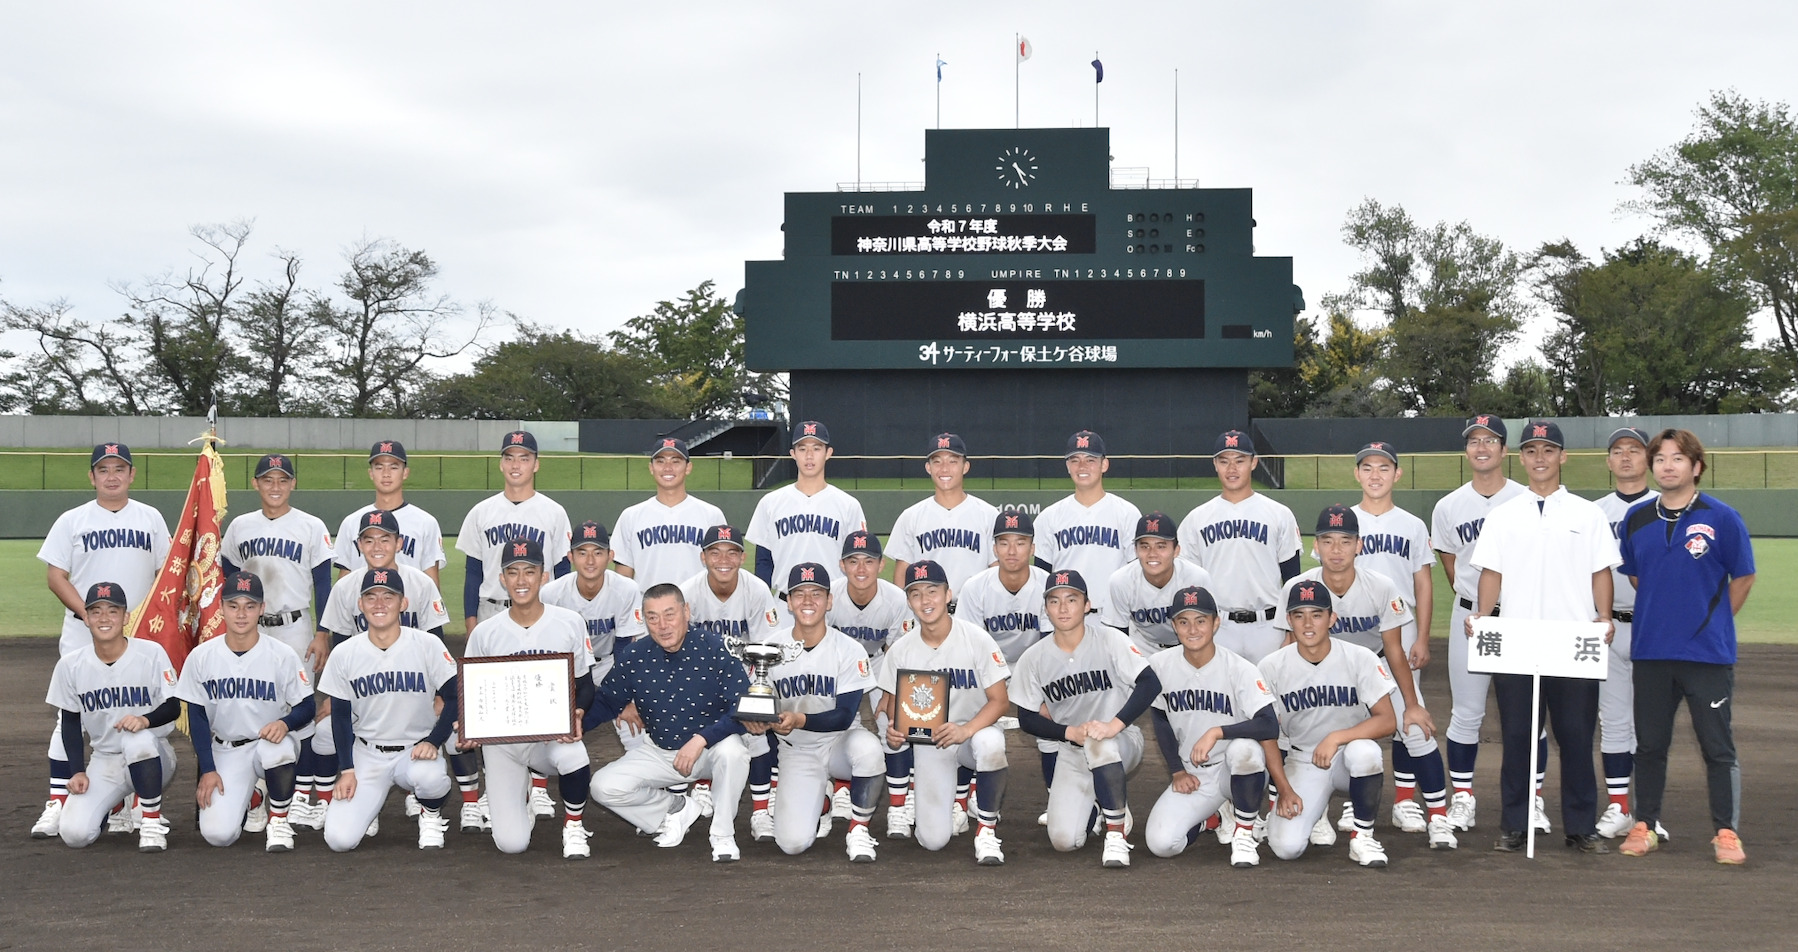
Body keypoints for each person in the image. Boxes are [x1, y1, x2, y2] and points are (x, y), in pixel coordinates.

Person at [1467, 419, 1619, 854]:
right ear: (1521, 458)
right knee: (1517, 737)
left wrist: (1604, 616)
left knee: (1576, 738)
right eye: (1532, 451)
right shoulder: (1503, 515)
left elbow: (1600, 571)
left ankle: (1581, 826)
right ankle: (1515, 824)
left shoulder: (1587, 514)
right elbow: (1491, 572)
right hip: (1518, 642)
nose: (1540, 458)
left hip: (1572, 642)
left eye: (1548, 450)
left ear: (1562, 456)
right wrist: (1483, 617)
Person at [1616, 429, 1756, 864]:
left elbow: (1744, 576)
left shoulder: (1723, 517)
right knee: (1650, 745)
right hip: (1652, 652)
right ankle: (1645, 824)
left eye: (1678, 458)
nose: (1668, 466)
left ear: (1696, 466)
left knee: (1717, 747)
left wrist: (1712, 623)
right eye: (1660, 459)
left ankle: (1726, 832)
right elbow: (1637, 575)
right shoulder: (1636, 518)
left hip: (1706, 655)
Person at [1277, 505, 1454, 850]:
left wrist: (1412, 704)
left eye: (1345, 541)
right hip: (1322, 674)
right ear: (1316, 546)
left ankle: (1438, 817)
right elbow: (1288, 647)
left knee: (1416, 731)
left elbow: (1394, 650)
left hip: (1375, 667)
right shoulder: (1299, 587)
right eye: (1328, 541)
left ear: (1359, 545)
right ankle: (1312, 812)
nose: (1336, 549)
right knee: (1293, 734)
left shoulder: (1380, 586)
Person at [33, 442, 170, 839]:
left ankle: (136, 801)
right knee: (71, 715)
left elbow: (166, 574)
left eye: (119, 469)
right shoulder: (72, 520)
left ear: (132, 475)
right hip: (83, 632)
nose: (112, 476)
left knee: (138, 712)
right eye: (104, 469)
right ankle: (59, 801)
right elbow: (55, 576)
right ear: (91, 476)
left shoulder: (150, 517)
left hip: (139, 635)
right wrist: (91, 617)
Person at [313, 509, 461, 832]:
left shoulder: (420, 584)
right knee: (339, 837)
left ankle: (437, 805)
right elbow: (341, 641)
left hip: (415, 688)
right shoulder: (346, 588)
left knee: (448, 734)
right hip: (366, 690)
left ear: (399, 543)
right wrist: (337, 696)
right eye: (369, 540)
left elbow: (436, 639)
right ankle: (361, 799)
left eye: (385, 539)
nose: (377, 546)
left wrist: (440, 694)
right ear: (359, 545)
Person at [585, 584, 754, 863]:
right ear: (644, 619)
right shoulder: (635, 655)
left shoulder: (716, 649)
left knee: (734, 752)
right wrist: (575, 725)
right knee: (603, 786)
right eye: (652, 618)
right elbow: (607, 701)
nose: (662, 626)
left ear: (686, 611)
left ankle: (723, 834)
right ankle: (676, 807)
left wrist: (701, 739)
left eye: (669, 614)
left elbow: (743, 707)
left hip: (709, 749)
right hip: (660, 751)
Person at [219, 453, 336, 833]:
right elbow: (227, 578)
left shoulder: (310, 525)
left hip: (294, 627)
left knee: (299, 707)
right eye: (267, 479)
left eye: (282, 479)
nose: (275, 486)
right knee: (252, 704)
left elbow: (323, 583)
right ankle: (257, 793)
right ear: (255, 483)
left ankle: (299, 795)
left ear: (292, 484)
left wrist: (323, 632)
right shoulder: (240, 526)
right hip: (249, 627)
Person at [1011, 569, 1155, 868]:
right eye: (1054, 601)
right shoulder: (1033, 658)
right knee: (1064, 841)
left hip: (1120, 742)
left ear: (1087, 605)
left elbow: (1150, 683)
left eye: (1072, 599)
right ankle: (1103, 799)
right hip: (1073, 751)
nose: (1063, 608)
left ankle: (1115, 834)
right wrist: (1069, 733)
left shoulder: (1110, 640)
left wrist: (1114, 725)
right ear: (1045, 608)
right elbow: (1026, 718)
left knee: (1100, 745)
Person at [463, 538, 597, 860]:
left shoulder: (569, 623)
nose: (521, 580)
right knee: (512, 844)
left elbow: (586, 685)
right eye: (513, 572)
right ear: (502, 579)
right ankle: (520, 798)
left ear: (543, 576)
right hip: (502, 744)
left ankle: (574, 825)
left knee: (574, 754)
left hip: (548, 738)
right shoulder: (485, 632)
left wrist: (577, 712)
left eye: (529, 571)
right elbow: (471, 691)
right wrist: (469, 725)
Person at [1430, 414, 1528, 832]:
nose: (1482, 447)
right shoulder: (1449, 506)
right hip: (1471, 616)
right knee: (1467, 713)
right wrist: (1474, 601)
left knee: (1528, 714)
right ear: (1467, 450)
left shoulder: (1527, 499)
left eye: (1490, 440)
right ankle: (1463, 797)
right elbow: (1452, 566)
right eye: (1474, 440)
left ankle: (1533, 799)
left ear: (1504, 450)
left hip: (1522, 616)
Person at [746, 563, 884, 862]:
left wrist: (799, 719)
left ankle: (859, 829)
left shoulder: (848, 649)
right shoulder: (770, 648)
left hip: (840, 743)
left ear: (829, 601)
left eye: (816, 594)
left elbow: (845, 715)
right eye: (799, 594)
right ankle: (822, 801)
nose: (808, 601)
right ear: (789, 602)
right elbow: (757, 704)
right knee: (792, 843)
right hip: (796, 751)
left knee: (870, 749)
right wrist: (757, 721)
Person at [878, 560, 1011, 865]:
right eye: (915, 594)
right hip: (931, 742)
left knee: (991, 744)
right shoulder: (901, 650)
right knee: (933, 840)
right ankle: (956, 799)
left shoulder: (976, 639)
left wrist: (966, 730)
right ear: (908, 601)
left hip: (973, 734)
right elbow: (892, 708)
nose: (925, 600)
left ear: (948, 595)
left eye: (932, 591)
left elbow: (1000, 701)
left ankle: (987, 830)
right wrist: (894, 731)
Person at [1261, 580, 1400, 868]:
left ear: (1332, 618)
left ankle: (1362, 836)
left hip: (1348, 756)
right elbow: (1267, 735)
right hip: (1302, 760)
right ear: (1288, 620)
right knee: (1286, 848)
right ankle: (1316, 810)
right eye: (1299, 615)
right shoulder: (1271, 666)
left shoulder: (1359, 658)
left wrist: (1337, 737)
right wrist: (1284, 789)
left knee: (1366, 753)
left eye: (1317, 615)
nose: (1307, 623)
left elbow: (1388, 720)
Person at [1139, 585, 1279, 867]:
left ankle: (1244, 832)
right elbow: (1160, 718)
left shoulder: (1239, 668)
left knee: (1244, 750)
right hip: (1195, 773)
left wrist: (1218, 732)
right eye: (1183, 622)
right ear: (1174, 626)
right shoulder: (1160, 665)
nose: (1192, 629)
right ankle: (1211, 819)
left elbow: (1269, 725)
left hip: (1234, 769)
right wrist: (1176, 771)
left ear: (1216, 623)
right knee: (1161, 844)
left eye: (1200, 620)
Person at [175, 571, 315, 851]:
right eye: (233, 605)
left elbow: (307, 705)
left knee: (279, 751)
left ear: (262, 609)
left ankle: (278, 820)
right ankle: (253, 797)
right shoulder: (202, 657)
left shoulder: (282, 654)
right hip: (226, 750)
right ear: (221, 608)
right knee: (218, 835)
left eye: (250, 606)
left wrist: (285, 724)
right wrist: (208, 770)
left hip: (269, 745)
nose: (241, 614)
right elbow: (198, 717)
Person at [1343, 441, 1439, 825]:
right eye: (1367, 467)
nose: (1375, 475)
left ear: (1397, 474)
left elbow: (1423, 584)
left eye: (1384, 467)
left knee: (1405, 715)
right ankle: (1352, 800)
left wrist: (1423, 637)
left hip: (1401, 628)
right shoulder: (1344, 520)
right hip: (1352, 630)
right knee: (1350, 714)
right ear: (1357, 474)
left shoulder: (1412, 525)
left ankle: (1403, 801)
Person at [45, 582, 181, 852]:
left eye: (112, 611)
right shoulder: (70, 665)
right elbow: (70, 722)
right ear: (86, 618)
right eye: (96, 611)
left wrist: (145, 720)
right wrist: (77, 771)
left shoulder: (151, 653)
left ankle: (151, 821)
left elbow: (173, 706)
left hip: (154, 755)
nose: (104, 618)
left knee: (137, 739)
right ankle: (115, 802)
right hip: (105, 760)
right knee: (74, 835)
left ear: (125, 617)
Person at [940, 511, 1051, 830]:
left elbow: (1051, 646)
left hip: (1034, 664)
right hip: (987, 664)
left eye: (1020, 542)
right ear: (994, 548)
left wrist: (1045, 695)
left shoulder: (1047, 584)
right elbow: (970, 647)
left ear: (1032, 548)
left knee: (1052, 717)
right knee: (966, 711)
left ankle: (1058, 797)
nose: (1012, 550)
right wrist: (992, 690)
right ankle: (962, 798)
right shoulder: (976, 587)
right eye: (1004, 542)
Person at [1178, 430, 1301, 664]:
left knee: (1271, 687)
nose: (1232, 469)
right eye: (1224, 461)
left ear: (1253, 463)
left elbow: (1292, 579)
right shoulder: (1196, 518)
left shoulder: (1279, 514)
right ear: (1215, 464)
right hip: (1218, 627)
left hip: (1269, 627)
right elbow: (1187, 582)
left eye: (1240, 460)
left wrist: (1292, 629)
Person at [1591, 427, 1658, 840]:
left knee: (1652, 727)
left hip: (1655, 627)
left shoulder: (1668, 505)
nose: (1627, 457)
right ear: (1608, 461)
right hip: (1608, 626)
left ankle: (1649, 812)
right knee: (1614, 721)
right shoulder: (1593, 512)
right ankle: (1619, 806)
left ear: (1648, 458)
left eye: (1635, 449)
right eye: (1618, 450)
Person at [827, 530, 914, 835]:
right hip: (839, 665)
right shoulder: (830, 595)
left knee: (894, 724)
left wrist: (890, 691)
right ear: (842, 565)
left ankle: (899, 807)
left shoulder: (896, 599)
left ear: (881, 565)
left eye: (869, 561)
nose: (861, 568)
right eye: (853, 561)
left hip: (881, 660)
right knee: (842, 723)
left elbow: (898, 650)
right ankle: (841, 788)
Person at [542, 521, 646, 753]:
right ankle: (539, 772)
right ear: (570, 557)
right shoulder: (551, 594)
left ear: (610, 556)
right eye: (582, 553)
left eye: (598, 553)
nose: (590, 561)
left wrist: (622, 699)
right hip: (567, 668)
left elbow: (623, 649)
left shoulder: (626, 589)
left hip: (609, 663)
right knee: (553, 727)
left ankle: (638, 770)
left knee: (634, 728)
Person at [456, 429, 573, 630]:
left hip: (541, 611)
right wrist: (471, 624)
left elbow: (562, 572)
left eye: (524, 459)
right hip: (491, 611)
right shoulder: (480, 512)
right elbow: (473, 574)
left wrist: (563, 619)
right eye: (509, 458)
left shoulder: (555, 513)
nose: (515, 465)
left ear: (536, 465)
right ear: (501, 464)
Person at [747, 421, 867, 600]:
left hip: (832, 603)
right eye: (802, 449)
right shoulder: (770, 503)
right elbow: (763, 562)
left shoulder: (848, 505)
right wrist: (763, 603)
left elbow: (857, 560)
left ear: (828, 453)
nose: (809, 456)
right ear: (793, 454)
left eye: (816, 448)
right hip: (785, 602)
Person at [1032, 430, 1141, 620]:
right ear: (1067, 466)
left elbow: (1137, 575)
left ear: (1104, 464)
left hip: (1114, 617)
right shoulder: (1048, 517)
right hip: (1065, 619)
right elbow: (1042, 579)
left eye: (1090, 460)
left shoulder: (1127, 514)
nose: (1082, 466)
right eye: (1075, 460)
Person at [610, 437, 727, 590]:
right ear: (651, 468)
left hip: (696, 604)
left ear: (688, 467)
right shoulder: (630, 516)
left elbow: (722, 570)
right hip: (648, 604)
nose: (668, 467)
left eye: (675, 461)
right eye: (660, 461)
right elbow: (623, 578)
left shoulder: (711, 515)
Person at [886, 433, 998, 590]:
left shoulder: (988, 515)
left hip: (974, 604)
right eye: (937, 462)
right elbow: (901, 576)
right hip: (927, 604)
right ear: (928, 468)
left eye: (953, 461)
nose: (944, 468)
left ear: (965, 467)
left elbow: (997, 571)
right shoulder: (911, 517)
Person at [332, 440, 446, 583]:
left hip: (410, 598)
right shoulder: (351, 522)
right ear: (371, 473)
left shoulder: (426, 523)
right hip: (362, 597)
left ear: (405, 473)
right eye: (379, 467)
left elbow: (431, 582)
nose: (386, 474)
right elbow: (344, 580)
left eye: (393, 467)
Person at [1103, 511, 1214, 656]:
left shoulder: (1196, 578)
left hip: (1187, 645)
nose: (1152, 553)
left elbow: (1207, 628)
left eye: (1161, 546)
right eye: (1145, 546)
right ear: (1135, 550)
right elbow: (1118, 636)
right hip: (1143, 645)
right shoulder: (1121, 581)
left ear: (1176, 550)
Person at [680, 525, 782, 642]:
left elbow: (769, 642)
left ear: (742, 558)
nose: (724, 560)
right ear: (703, 557)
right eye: (715, 553)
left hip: (747, 654)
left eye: (732, 553)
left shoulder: (757, 590)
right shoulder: (687, 593)